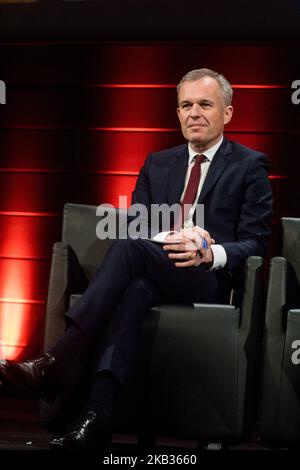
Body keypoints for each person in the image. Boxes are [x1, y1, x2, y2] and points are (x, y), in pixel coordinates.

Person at [0, 68, 272, 450]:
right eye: (185, 105)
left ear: (227, 113)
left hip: (205, 276)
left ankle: (56, 362)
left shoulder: (249, 164)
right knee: (136, 289)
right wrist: (177, 237)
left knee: (128, 252)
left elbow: (256, 242)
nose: (193, 112)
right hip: (154, 265)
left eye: (204, 104)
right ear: (177, 113)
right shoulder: (158, 162)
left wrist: (208, 251)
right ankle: (97, 415)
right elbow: (137, 226)